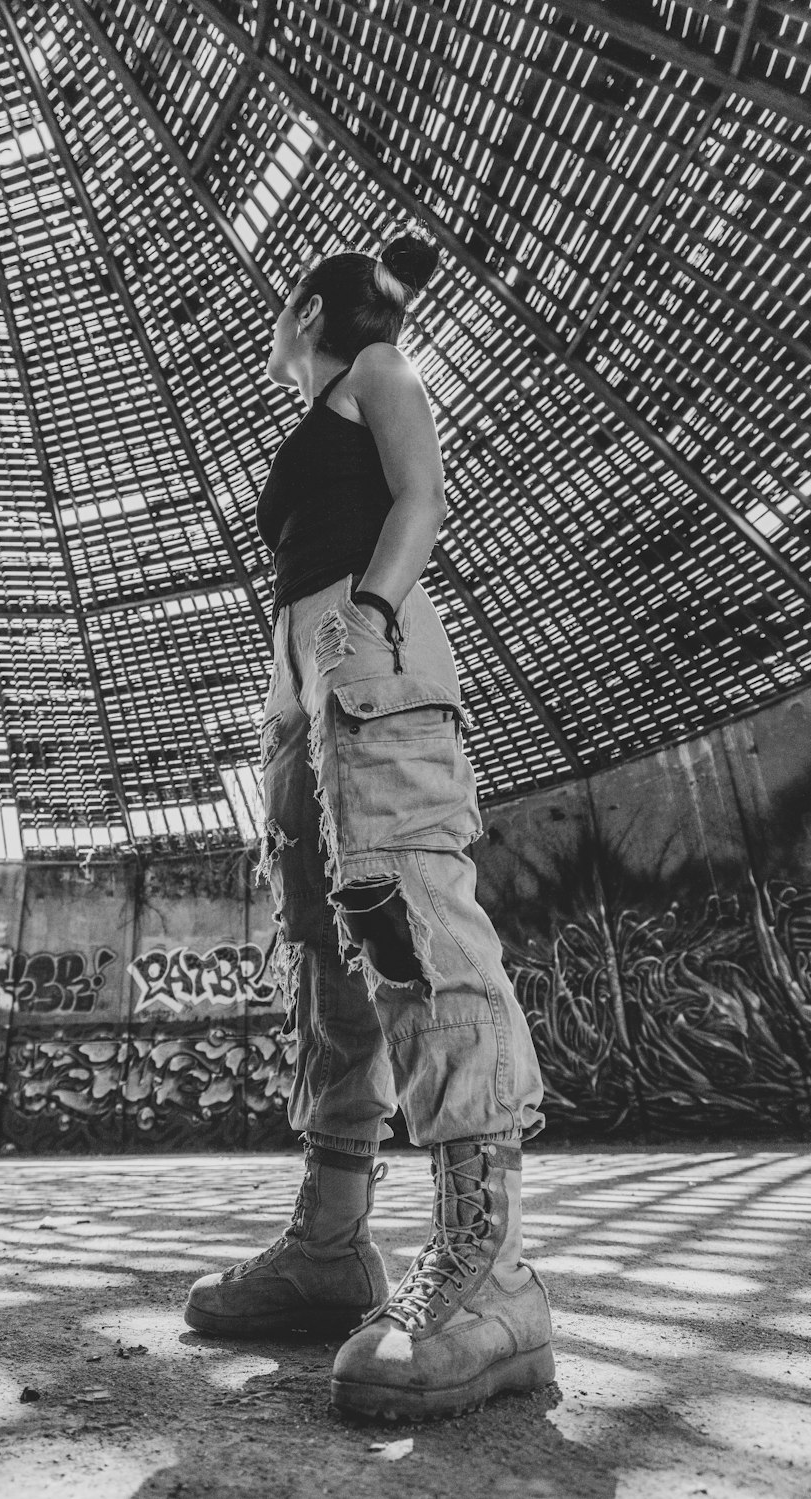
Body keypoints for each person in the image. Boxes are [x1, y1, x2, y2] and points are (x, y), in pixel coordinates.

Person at [184, 228, 554, 1420]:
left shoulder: (373, 370)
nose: (274, 330)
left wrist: (373, 613)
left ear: (306, 309)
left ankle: (489, 1277)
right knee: (330, 962)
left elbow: (420, 498)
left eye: (282, 309)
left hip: (369, 665)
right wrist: (288, 695)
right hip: (304, 702)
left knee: (408, 918)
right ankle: (334, 1244)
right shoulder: (318, 408)